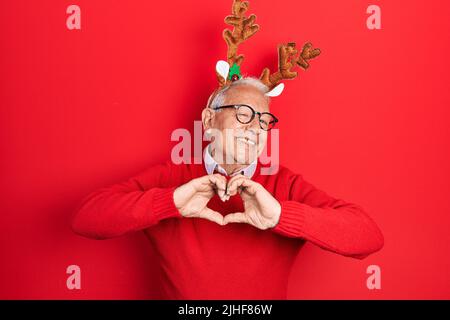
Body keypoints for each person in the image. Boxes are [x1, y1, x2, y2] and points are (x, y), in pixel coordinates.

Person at [71, 77, 384, 299]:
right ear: (208, 121)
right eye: (244, 114)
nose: (255, 128)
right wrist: (170, 202)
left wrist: (281, 216)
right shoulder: (170, 177)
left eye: (264, 121)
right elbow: (86, 218)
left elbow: (368, 236)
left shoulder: (285, 184)